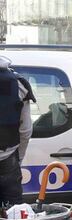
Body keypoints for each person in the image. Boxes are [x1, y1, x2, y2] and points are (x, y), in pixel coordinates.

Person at [0, 56, 34, 207]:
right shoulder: (18, 83)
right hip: (8, 159)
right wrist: (19, 158)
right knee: (12, 215)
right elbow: (26, 130)